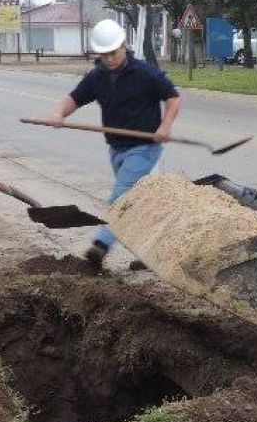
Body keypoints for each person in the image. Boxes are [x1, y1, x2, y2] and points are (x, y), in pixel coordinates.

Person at [50, 19, 180, 268]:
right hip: (116, 148)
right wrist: (60, 114)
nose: (109, 58)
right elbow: (74, 98)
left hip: (144, 148)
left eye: (113, 52)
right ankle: (150, 255)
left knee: (120, 198)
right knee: (133, 203)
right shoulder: (96, 77)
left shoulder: (145, 73)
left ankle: (101, 245)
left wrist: (165, 126)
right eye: (104, 54)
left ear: (123, 46)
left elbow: (173, 98)